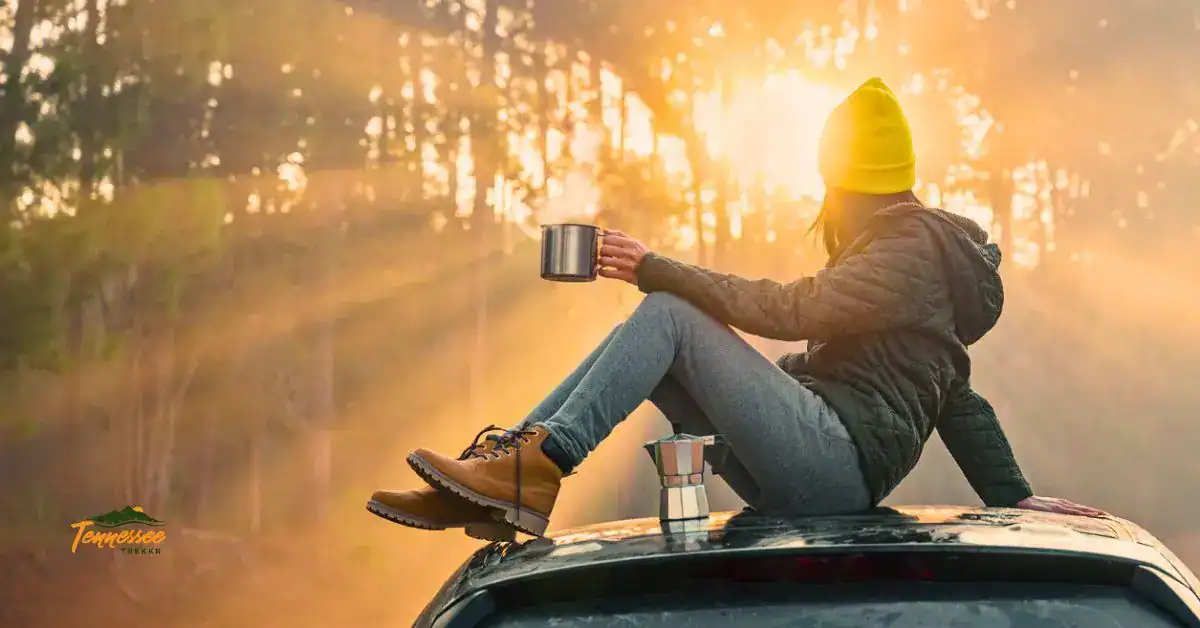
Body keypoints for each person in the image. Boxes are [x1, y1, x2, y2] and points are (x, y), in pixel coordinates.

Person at [367, 77, 1106, 539]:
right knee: (654, 341)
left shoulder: (906, 251)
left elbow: (792, 310)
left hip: (832, 468)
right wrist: (1016, 496)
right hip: (822, 469)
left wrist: (655, 266)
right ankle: (505, 474)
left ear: (842, 179)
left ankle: (539, 465)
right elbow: (959, 398)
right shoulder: (912, 259)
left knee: (667, 313)